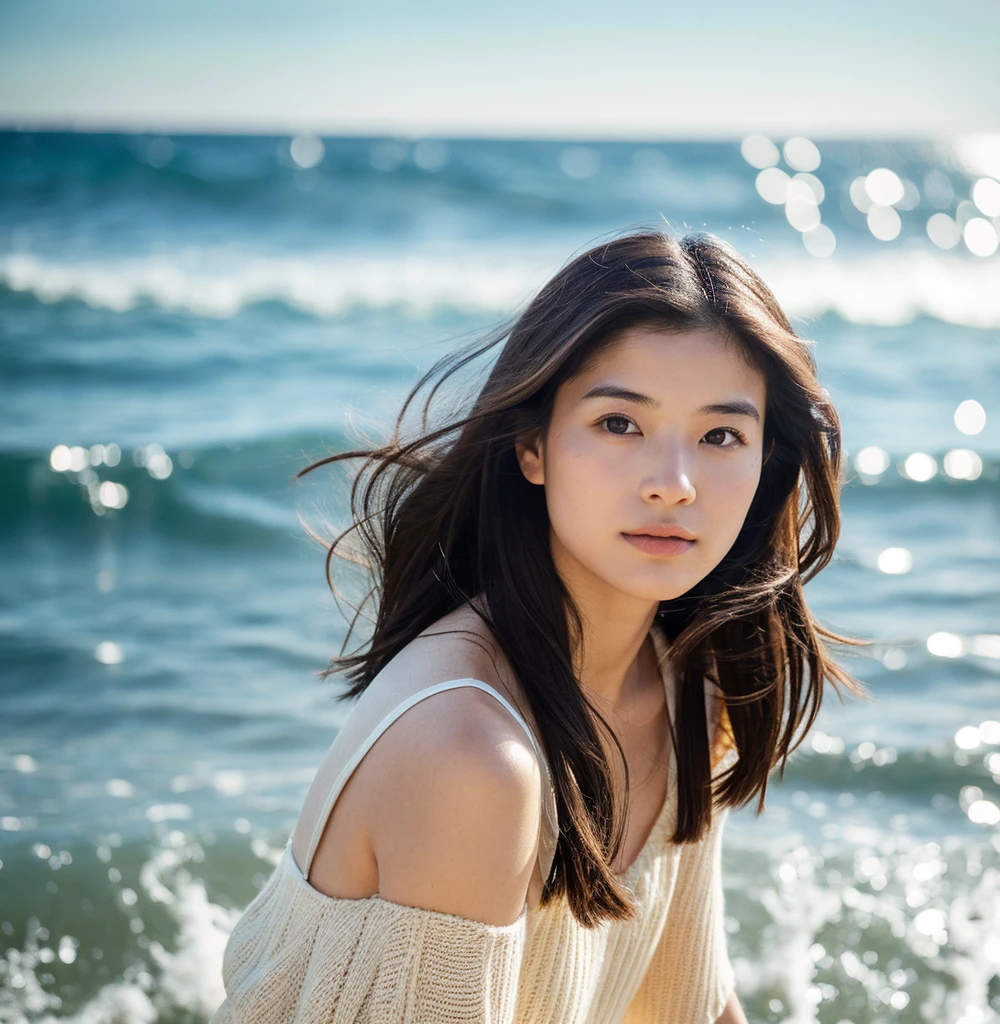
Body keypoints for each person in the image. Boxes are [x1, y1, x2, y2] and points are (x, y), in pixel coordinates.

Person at [211, 230, 863, 1023]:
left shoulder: (684, 683)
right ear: (531, 446)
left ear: (765, 464)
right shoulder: (472, 755)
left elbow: (689, 1008)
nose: (674, 484)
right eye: (620, 424)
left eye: (720, 435)